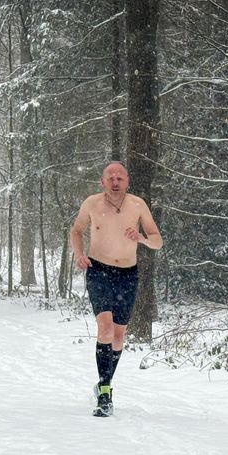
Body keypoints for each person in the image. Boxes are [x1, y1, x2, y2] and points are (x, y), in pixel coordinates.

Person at [69, 161, 163, 417]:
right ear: (102, 182)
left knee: (119, 336)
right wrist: (79, 255)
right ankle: (106, 391)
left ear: (127, 181)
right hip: (99, 270)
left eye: (120, 177)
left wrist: (142, 238)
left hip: (127, 275)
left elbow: (157, 240)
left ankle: (104, 382)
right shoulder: (92, 203)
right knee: (106, 328)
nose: (115, 181)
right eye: (110, 177)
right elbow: (76, 231)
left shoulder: (137, 205)